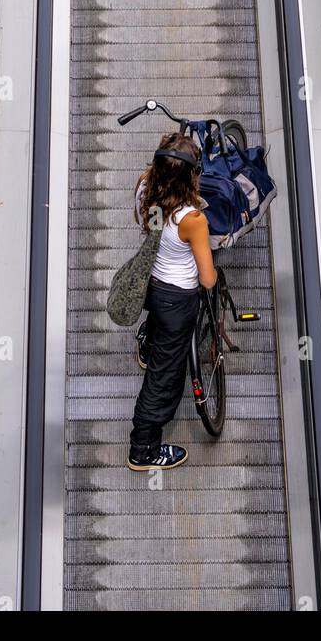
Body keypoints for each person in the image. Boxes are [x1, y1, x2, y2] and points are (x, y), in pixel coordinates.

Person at [127, 132, 217, 471]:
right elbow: (207, 279)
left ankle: (147, 347)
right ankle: (143, 450)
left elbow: (150, 228)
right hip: (177, 300)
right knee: (163, 380)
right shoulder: (192, 220)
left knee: (159, 336)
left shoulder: (145, 187)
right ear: (190, 177)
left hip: (151, 282)